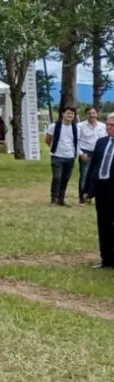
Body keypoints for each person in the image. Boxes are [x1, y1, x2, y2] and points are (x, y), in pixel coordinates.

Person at [82, 113, 114, 268]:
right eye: (107, 124)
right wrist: (87, 189)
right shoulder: (101, 142)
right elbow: (93, 166)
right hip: (102, 189)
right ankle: (106, 259)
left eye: (112, 125)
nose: (108, 127)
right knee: (104, 224)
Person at [45, 106, 79, 206]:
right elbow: (47, 140)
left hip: (70, 157)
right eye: (68, 113)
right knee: (57, 178)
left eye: (72, 114)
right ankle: (54, 199)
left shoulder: (76, 128)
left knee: (65, 178)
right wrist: (54, 148)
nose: (70, 115)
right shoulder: (54, 126)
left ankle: (61, 199)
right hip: (57, 156)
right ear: (62, 114)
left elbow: (76, 142)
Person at [78, 106, 104, 205]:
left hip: (99, 154)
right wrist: (81, 153)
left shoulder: (102, 126)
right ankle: (82, 198)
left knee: (98, 176)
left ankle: (91, 196)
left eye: (93, 113)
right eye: (89, 113)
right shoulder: (80, 126)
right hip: (86, 153)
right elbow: (75, 142)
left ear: (96, 114)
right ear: (86, 115)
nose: (91, 115)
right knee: (84, 176)